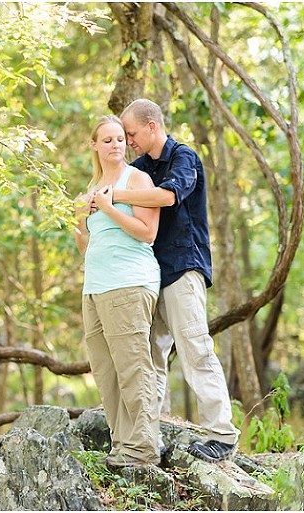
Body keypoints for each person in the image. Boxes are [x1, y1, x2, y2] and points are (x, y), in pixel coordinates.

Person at [115, 98, 240, 462]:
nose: (128, 140)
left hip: (184, 266)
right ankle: (147, 437)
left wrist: (116, 195)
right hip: (149, 273)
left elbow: (168, 196)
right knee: (151, 356)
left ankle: (222, 435)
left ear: (152, 126)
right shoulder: (138, 168)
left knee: (195, 348)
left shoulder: (184, 158)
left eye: (132, 133)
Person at [74, 115, 161, 467]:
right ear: (94, 145)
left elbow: (147, 232)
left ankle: (142, 449)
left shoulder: (137, 179)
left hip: (129, 282)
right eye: (107, 140)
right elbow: (87, 245)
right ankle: (121, 445)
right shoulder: (91, 187)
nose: (115, 145)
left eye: (120, 139)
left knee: (133, 367)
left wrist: (109, 208)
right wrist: (80, 220)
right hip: (94, 286)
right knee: (106, 371)